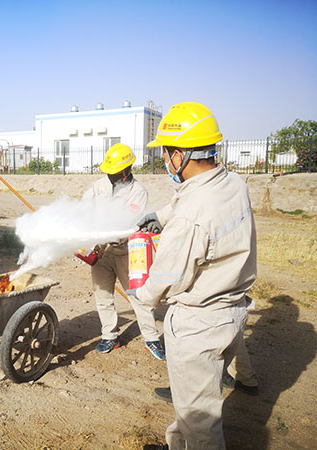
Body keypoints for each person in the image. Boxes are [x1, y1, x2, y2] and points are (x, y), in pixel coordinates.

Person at [128, 102, 258, 450]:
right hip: (231, 312)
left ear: (179, 155)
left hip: (198, 326)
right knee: (192, 402)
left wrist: (141, 294)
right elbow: (191, 201)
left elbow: (168, 277)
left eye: (166, 152)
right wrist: (161, 216)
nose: (164, 159)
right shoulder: (233, 182)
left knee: (201, 422)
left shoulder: (191, 218)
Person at [82, 143, 165, 359]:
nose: (111, 176)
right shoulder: (100, 186)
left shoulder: (138, 192)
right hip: (101, 252)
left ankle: (151, 339)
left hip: (126, 252)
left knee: (138, 296)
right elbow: (84, 208)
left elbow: (128, 222)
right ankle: (110, 336)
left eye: (115, 172)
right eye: (109, 172)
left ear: (127, 169)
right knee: (103, 296)